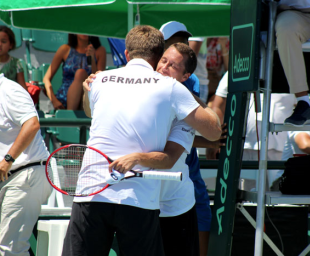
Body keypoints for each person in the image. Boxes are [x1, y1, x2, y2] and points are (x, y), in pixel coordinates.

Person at [62, 25, 221, 256]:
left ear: (127, 54)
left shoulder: (104, 79)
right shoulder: (168, 88)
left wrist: (137, 157)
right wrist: (88, 91)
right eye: (164, 60)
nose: (165, 67)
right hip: (135, 199)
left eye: (173, 65)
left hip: (169, 206)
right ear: (157, 57)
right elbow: (90, 110)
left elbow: (206, 136)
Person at [159, 21, 224, 256]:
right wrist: (211, 140)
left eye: (184, 40)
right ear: (160, 46)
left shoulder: (191, 79)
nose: (181, 45)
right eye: (173, 41)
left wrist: (212, 139)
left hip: (187, 170)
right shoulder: (155, 78)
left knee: (201, 224)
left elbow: (187, 129)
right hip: (158, 175)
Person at [208, 72, 296, 190]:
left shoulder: (290, 69)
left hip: (278, 150)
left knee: (277, 195)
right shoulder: (237, 67)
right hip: (240, 147)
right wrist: (213, 140)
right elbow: (218, 106)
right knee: (243, 199)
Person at [0, 73, 52, 255]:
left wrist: (7, 160)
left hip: (25, 175)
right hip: (11, 177)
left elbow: (32, 124)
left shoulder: (9, 90)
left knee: (10, 249)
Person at [43, 34, 106, 110]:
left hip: (87, 97)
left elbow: (98, 80)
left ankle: (70, 116)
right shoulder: (65, 49)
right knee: (80, 73)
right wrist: (54, 100)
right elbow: (46, 79)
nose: (84, 32)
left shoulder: (100, 51)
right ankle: (70, 115)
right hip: (64, 98)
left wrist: (92, 58)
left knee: (81, 73)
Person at [0, 26, 27, 91]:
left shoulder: (16, 64)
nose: (0, 44)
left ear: (11, 45)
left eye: (3, 41)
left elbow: (22, 89)